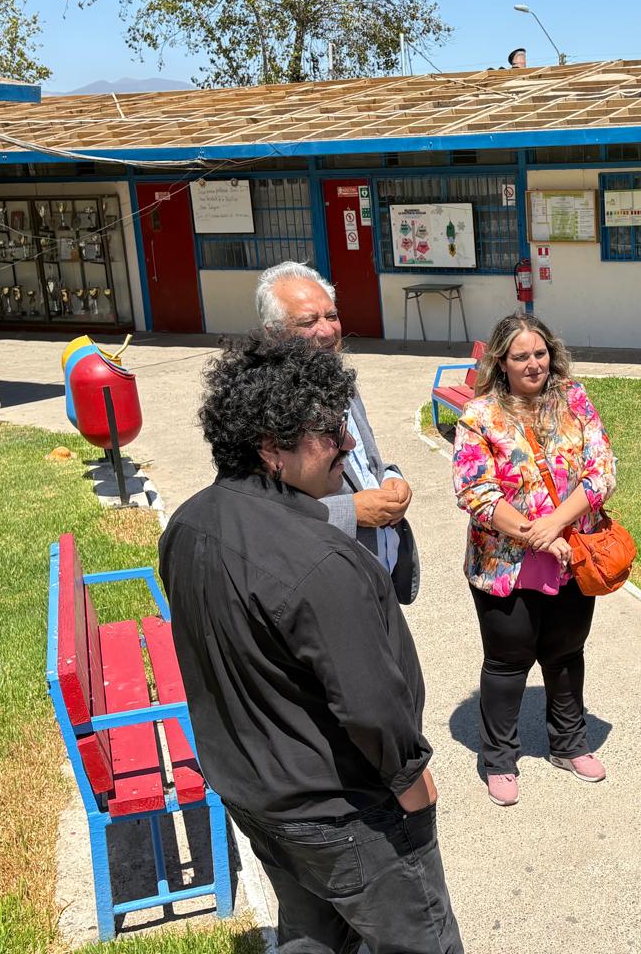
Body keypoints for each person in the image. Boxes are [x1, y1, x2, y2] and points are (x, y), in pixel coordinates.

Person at [159, 331, 463, 953]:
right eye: (330, 432)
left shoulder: (189, 523)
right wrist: (411, 779)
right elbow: (371, 702)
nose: (348, 444)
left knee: (311, 938)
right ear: (271, 447)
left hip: (256, 795)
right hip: (343, 813)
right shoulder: (321, 560)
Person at [452, 313, 617, 807]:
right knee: (508, 661)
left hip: (574, 553)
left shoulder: (574, 399)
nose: (533, 364)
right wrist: (536, 536)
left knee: (566, 652)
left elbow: (601, 471)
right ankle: (499, 758)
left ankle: (569, 743)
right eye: (521, 356)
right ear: (501, 361)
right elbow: (476, 491)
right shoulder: (479, 415)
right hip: (505, 561)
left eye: (540, 353)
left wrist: (555, 526)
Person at [257, 261, 418, 606]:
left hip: (378, 574)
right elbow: (263, 512)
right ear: (273, 333)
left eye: (331, 316)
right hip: (329, 587)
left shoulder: (340, 382)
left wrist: (391, 478)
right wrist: (351, 511)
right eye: (308, 322)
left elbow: (364, 462)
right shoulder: (264, 406)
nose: (328, 331)